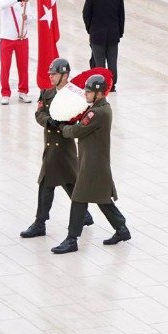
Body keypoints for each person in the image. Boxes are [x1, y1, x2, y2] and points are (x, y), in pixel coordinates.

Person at [51, 75, 132, 254]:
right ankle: (122, 229)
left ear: (99, 93)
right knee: (102, 198)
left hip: (93, 164)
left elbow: (78, 130)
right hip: (94, 161)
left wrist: (63, 127)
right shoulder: (100, 108)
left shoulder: (97, 112)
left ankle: (72, 239)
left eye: (89, 92)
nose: (85, 94)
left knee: (79, 198)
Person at [19, 58, 93, 238]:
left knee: (47, 181)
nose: (51, 77)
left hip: (64, 145)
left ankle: (40, 223)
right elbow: (39, 114)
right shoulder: (47, 93)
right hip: (50, 142)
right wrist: (49, 121)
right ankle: (84, 214)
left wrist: (68, 123)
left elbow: (81, 118)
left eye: (54, 74)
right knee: (68, 181)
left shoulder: (76, 95)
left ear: (65, 75)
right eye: (50, 74)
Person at [82, 0, 125, 88]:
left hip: (97, 34)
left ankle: (101, 85)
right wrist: (120, 32)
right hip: (113, 34)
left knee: (99, 62)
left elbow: (86, 14)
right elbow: (121, 15)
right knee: (112, 61)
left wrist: (90, 30)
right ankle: (112, 84)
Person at [0, 0, 34, 105]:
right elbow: (3, 6)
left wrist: (26, 18)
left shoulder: (24, 0)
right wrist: (18, 0)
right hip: (7, 39)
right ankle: (5, 93)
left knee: (23, 67)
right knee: (5, 67)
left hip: (22, 39)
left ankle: (23, 92)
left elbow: (31, 18)